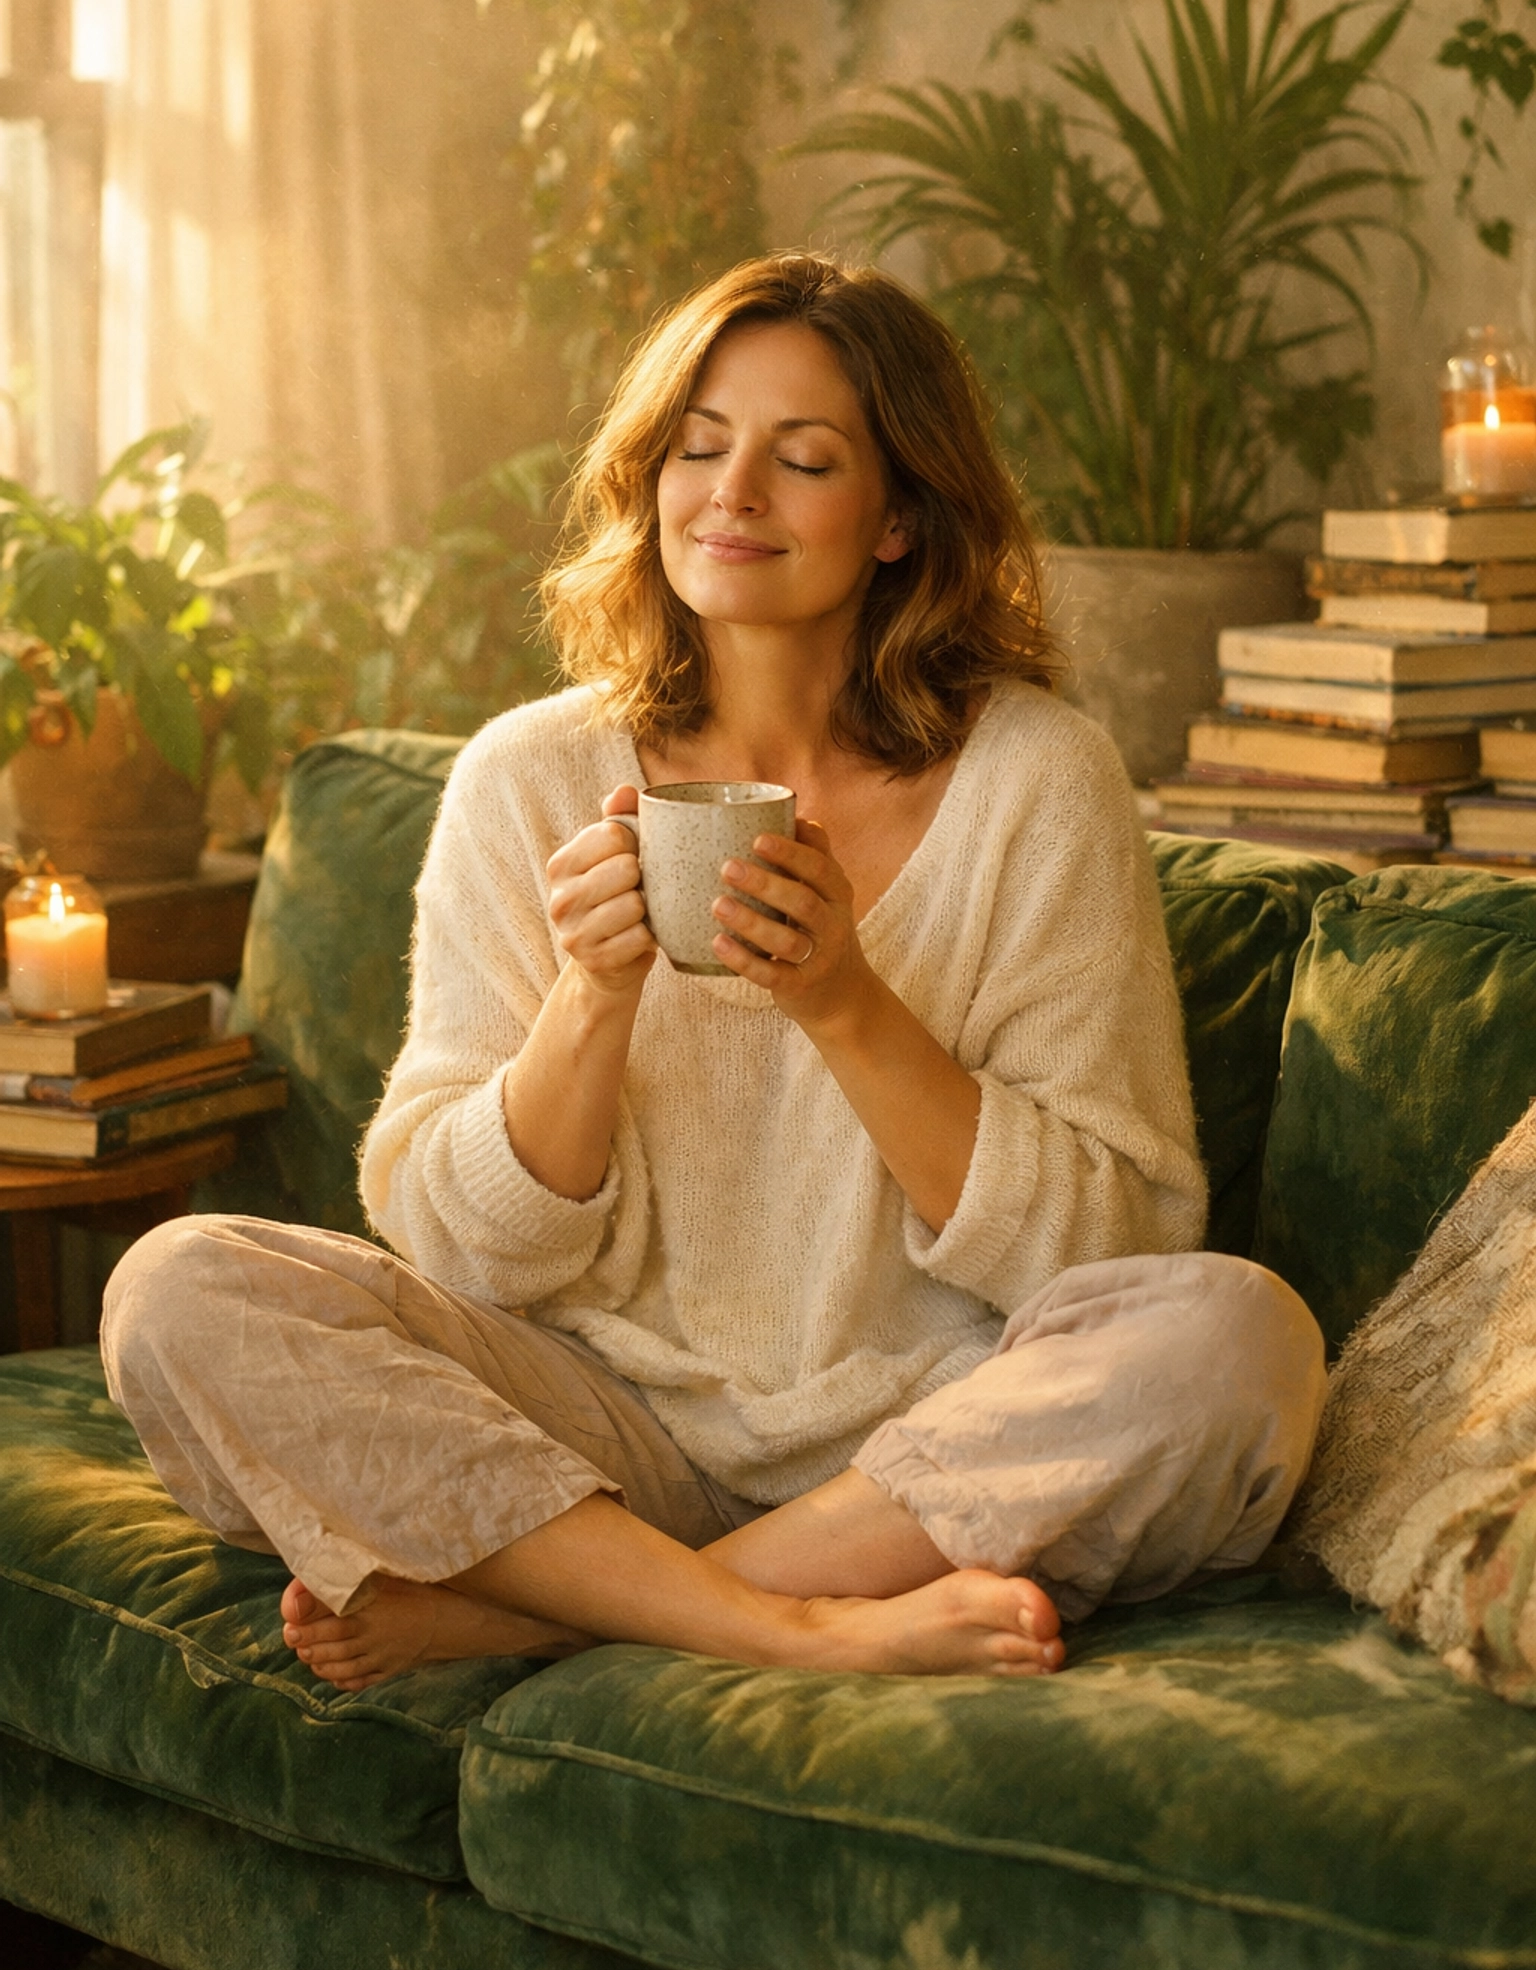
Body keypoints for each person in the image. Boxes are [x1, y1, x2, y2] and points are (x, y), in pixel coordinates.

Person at [101, 254, 1326, 1693]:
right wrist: (591, 998)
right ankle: (783, 1624)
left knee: (1239, 1340)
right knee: (180, 1290)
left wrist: (845, 1004)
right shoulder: (529, 777)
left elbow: (1117, 1245)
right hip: (589, 1422)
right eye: (699, 447)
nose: (731, 494)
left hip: (926, 1447)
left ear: (897, 519)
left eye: (802, 461)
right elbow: (452, 1253)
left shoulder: (1038, 782)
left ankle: (548, 1606)